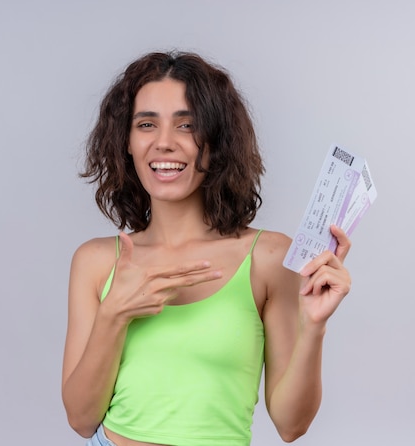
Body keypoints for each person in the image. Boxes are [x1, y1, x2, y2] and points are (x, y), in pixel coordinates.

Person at [62, 51, 352, 446]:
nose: (164, 143)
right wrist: (114, 314)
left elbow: (291, 425)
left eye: (187, 125)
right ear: (127, 142)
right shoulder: (95, 261)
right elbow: (81, 419)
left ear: (215, 142)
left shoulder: (267, 259)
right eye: (146, 124)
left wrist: (315, 326)